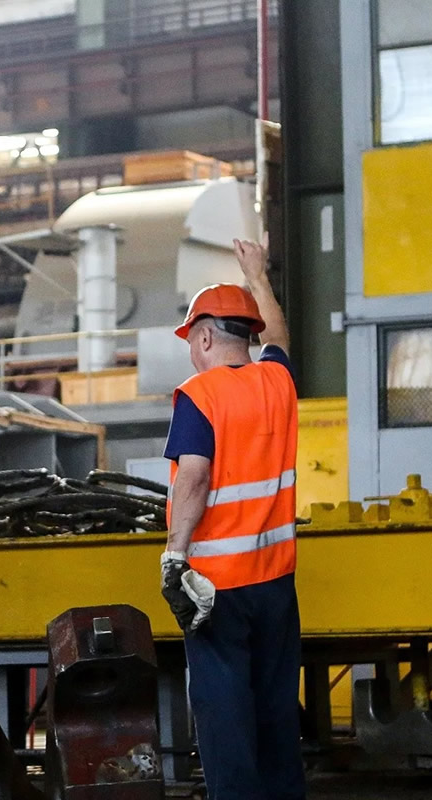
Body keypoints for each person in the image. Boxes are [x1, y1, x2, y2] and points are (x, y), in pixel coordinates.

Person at [160, 239, 305, 800]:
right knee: (275, 718)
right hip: (276, 584)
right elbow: (280, 339)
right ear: (249, 336)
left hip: (218, 591)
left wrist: (176, 555)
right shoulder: (278, 383)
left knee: (226, 725)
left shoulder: (200, 394)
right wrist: (257, 275)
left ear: (202, 337)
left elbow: (193, 478)